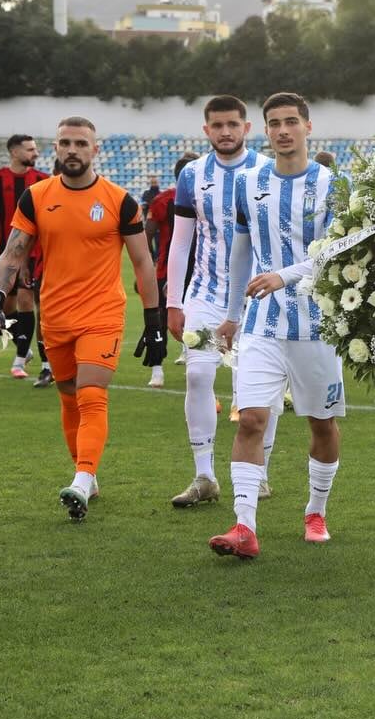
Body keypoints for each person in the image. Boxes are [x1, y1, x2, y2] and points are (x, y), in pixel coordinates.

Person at [0, 116, 164, 520]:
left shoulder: (119, 200)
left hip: (102, 313)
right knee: (68, 398)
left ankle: (80, 478)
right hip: (55, 314)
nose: (73, 150)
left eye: (81, 143)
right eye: (66, 143)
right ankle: (88, 474)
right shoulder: (37, 196)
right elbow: (13, 252)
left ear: (95, 150)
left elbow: (143, 263)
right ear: (56, 149)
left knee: (92, 393)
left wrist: (154, 321)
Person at [208, 93, 348, 559]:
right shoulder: (249, 183)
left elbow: (334, 254)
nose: (283, 130)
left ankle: (316, 510)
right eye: (274, 123)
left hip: (318, 325)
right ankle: (244, 525)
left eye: (291, 121)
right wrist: (232, 313)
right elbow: (240, 251)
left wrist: (284, 276)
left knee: (322, 425)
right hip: (261, 325)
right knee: (250, 419)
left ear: (309, 126)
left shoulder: (334, 186)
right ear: (265, 131)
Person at [165, 96, 276, 509]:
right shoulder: (193, 174)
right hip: (207, 294)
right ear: (206, 130)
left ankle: (259, 470)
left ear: (247, 128)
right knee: (197, 376)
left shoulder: (267, 170)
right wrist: (173, 301)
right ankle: (204, 475)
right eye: (217, 125)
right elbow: (181, 242)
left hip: (259, 291)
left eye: (233, 124)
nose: (225, 131)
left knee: (258, 383)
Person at [0, 134, 51, 385]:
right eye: (30, 149)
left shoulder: (43, 181)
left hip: (35, 254)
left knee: (27, 300)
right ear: (14, 152)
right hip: (5, 253)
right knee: (5, 312)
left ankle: (25, 361)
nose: (36, 153)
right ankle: (25, 347)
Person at [144, 152, 197, 387]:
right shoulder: (165, 200)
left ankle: (158, 370)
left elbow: (147, 232)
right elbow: (148, 232)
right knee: (184, 316)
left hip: (176, 269)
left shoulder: (166, 199)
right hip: (187, 270)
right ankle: (166, 365)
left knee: (160, 318)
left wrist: (147, 264)